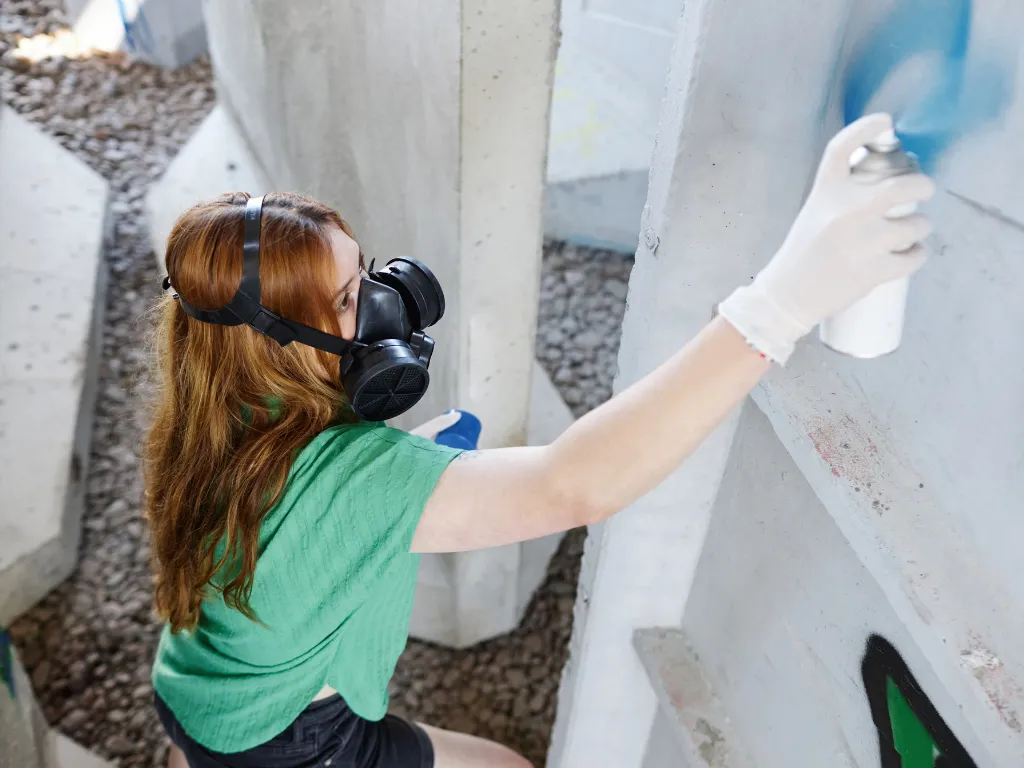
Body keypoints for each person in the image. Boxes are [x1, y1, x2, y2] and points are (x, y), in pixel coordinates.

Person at [144, 113, 933, 768]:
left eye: (369, 274)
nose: (387, 305)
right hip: (291, 745)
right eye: (352, 297)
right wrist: (783, 301)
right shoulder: (360, 481)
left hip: (191, 692)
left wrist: (396, 484)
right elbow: (577, 484)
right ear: (279, 343)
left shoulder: (202, 421)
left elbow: (306, 517)